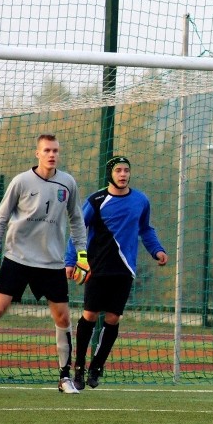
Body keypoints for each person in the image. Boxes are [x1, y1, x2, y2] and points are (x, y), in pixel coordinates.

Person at [0, 133, 89, 394]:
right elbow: (0, 219)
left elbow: (77, 221)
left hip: (51, 263)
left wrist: (82, 255)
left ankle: (64, 377)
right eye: (47, 150)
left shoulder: (68, 183)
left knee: (62, 317)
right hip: (17, 259)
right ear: (37, 153)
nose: (52, 155)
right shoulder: (21, 181)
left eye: (56, 150)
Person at [64, 156, 168, 391]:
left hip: (124, 270)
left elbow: (145, 229)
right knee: (89, 315)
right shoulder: (97, 200)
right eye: (118, 170)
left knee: (113, 319)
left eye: (126, 170)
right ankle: (78, 368)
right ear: (110, 174)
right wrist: (70, 260)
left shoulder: (141, 200)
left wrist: (157, 249)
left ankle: (96, 367)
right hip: (96, 267)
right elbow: (79, 228)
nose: (123, 174)